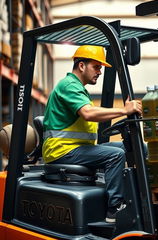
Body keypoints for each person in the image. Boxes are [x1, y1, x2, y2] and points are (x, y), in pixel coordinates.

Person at [42, 45, 142, 223]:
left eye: (101, 68)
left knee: (133, 145)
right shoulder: (69, 85)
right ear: (81, 66)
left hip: (77, 149)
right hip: (62, 152)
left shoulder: (78, 88)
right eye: (96, 67)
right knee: (115, 155)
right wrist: (124, 111)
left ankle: (141, 195)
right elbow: (88, 113)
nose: (100, 72)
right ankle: (115, 210)